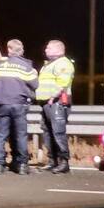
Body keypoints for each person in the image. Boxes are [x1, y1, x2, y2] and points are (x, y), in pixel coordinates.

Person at [0, 39, 38, 175]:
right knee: (20, 135)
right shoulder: (26, 67)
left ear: (9, 50)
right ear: (21, 50)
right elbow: (35, 85)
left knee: (1, 136)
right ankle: (22, 165)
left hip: (2, 105)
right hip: (19, 104)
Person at [37, 39, 76, 174]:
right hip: (46, 103)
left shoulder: (64, 64)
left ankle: (64, 162)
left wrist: (53, 96)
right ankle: (52, 161)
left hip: (57, 102)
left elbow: (62, 83)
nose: (46, 50)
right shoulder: (47, 65)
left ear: (59, 50)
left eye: (49, 48)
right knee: (48, 132)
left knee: (58, 132)